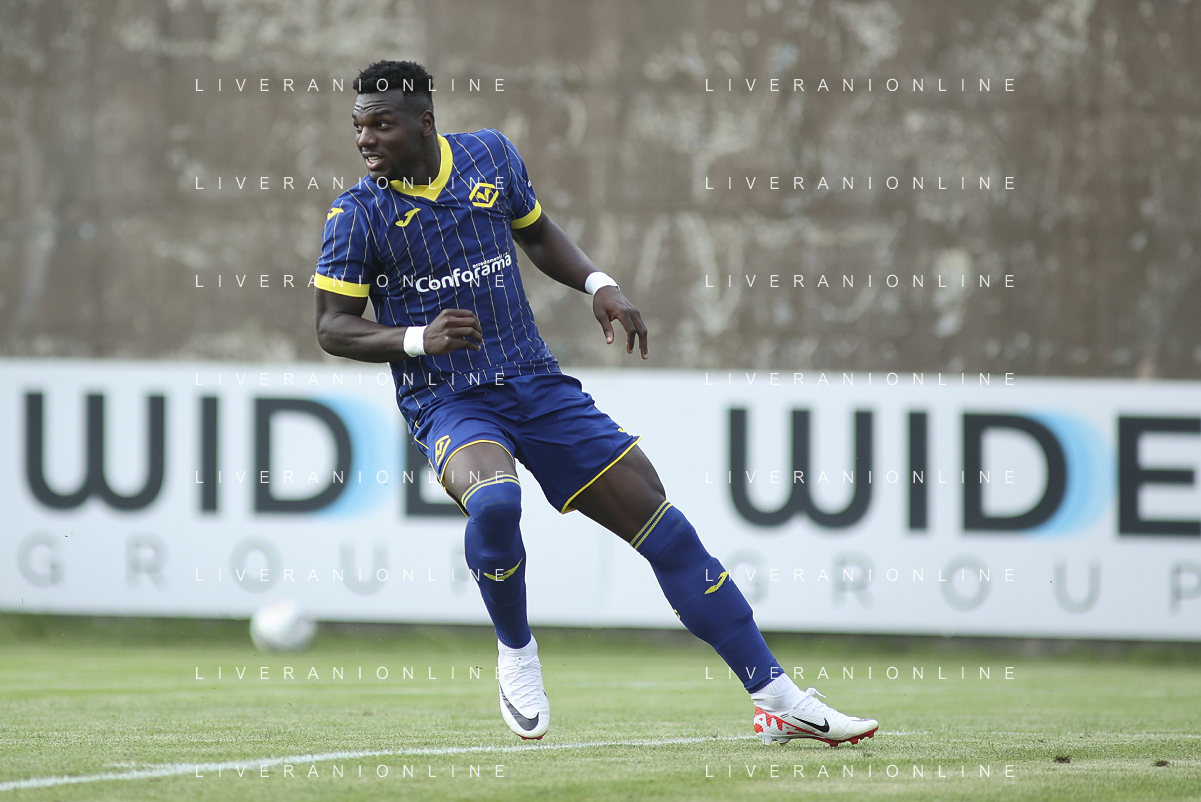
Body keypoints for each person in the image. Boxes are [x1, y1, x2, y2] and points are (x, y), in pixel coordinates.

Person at [314, 59, 878, 747]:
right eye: (359, 127)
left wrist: (598, 284)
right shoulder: (356, 215)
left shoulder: (490, 156)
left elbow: (535, 232)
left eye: (381, 125)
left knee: (663, 526)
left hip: (535, 382)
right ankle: (517, 654)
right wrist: (416, 338)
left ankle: (778, 699)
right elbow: (333, 327)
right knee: (495, 501)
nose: (366, 139)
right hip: (449, 398)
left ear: (424, 122)